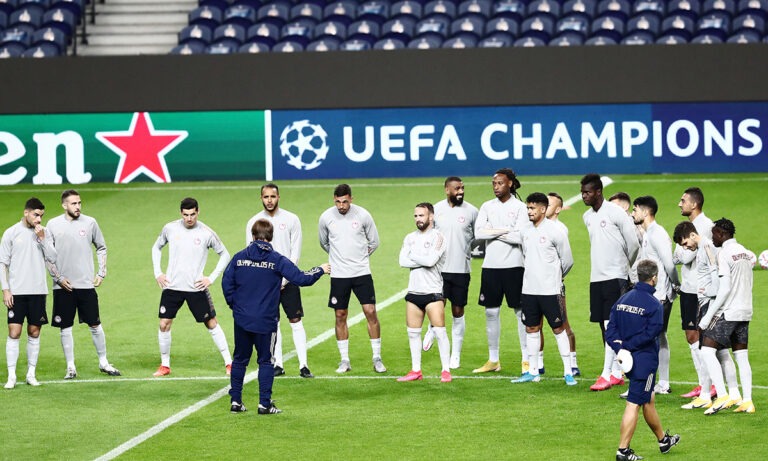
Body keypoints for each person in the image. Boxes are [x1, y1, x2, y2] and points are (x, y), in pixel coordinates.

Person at [223, 219, 330, 414]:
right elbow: (301, 279)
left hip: (242, 319)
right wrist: (320, 270)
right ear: (271, 237)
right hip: (266, 320)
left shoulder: (238, 258)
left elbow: (226, 283)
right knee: (265, 361)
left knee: (239, 359)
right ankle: (264, 404)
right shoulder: (276, 259)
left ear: (253, 236)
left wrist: (235, 306)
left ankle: (236, 402)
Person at [606, 259, 680, 461]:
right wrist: (629, 346)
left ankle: (663, 440)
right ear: (654, 278)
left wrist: (620, 348)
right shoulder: (654, 305)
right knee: (634, 403)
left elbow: (610, 330)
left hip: (627, 360)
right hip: (644, 363)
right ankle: (623, 451)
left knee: (648, 399)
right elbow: (651, 333)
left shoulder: (622, 300)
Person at [151, 197, 232, 377]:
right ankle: (165, 365)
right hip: (172, 287)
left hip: (196, 288)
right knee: (164, 324)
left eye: (193, 214)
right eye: (186, 215)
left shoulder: (206, 233)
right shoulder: (170, 228)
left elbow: (225, 255)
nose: (189, 218)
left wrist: (211, 278)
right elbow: (156, 248)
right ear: (181, 213)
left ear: (198, 212)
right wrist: (158, 272)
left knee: (211, 323)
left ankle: (229, 363)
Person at [45, 190, 120, 379]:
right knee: (65, 327)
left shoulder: (90, 222)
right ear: (64, 205)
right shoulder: (52, 225)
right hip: (63, 286)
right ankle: (70, 367)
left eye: (79, 203)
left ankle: (103, 362)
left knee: (95, 324)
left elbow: (101, 247)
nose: (78, 206)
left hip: (86, 285)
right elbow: (47, 255)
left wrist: (101, 273)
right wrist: (58, 278)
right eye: (73, 203)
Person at [673, 221, 742, 410]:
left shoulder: (707, 247)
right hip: (710, 304)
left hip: (709, 305)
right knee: (721, 352)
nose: (686, 248)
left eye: (685, 243)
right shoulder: (706, 246)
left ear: (692, 235)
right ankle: (733, 395)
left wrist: (708, 293)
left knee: (708, 351)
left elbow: (716, 279)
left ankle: (716, 395)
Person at [245, 183, 313, 378]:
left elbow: (295, 253)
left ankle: (303, 365)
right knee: (273, 323)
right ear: (261, 198)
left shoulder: (291, 219)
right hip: (266, 283)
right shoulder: (253, 222)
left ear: (278, 197)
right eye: (266, 197)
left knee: (295, 320)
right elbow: (251, 253)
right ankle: (278, 364)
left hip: (288, 279)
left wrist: (284, 279)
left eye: (272, 196)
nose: (269, 200)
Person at [580, 174, 640, 391]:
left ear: (598, 191)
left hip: (615, 277)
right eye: (582, 192)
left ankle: (607, 374)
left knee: (610, 325)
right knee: (603, 326)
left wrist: (624, 267)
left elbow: (634, 244)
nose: (584, 196)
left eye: (587, 192)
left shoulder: (615, 213)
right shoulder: (587, 216)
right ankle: (616, 372)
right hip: (596, 277)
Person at [318, 184, 385, 373]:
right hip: (339, 275)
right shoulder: (326, 217)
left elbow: (374, 242)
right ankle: (344, 360)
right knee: (340, 315)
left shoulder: (363, 215)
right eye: (338, 202)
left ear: (351, 199)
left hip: (361, 272)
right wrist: (338, 258)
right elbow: (324, 242)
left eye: (345, 202)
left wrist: (360, 257)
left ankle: (377, 358)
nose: (341, 206)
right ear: (334, 200)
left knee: (370, 311)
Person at [472, 168, 532, 374]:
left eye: (500, 183)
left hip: (514, 266)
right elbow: (479, 233)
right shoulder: (487, 206)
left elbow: (520, 237)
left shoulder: (521, 208)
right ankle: (493, 360)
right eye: (494, 183)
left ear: (510, 184)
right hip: (490, 267)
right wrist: (507, 229)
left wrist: (493, 231)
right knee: (491, 312)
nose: (496, 187)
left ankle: (526, 360)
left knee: (520, 313)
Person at [513, 193, 575, 385]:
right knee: (531, 328)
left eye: (532, 208)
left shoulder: (556, 231)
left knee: (558, 328)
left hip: (550, 290)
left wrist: (554, 277)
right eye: (528, 208)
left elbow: (568, 261)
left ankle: (568, 372)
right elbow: (525, 256)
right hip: (529, 290)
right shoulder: (525, 231)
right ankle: (533, 371)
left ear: (542, 209)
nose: (529, 211)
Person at [698, 218, 756, 414]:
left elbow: (723, 290)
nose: (712, 238)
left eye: (714, 234)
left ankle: (722, 395)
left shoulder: (724, 254)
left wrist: (707, 317)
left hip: (729, 311)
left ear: (722, 234)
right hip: (745, 310)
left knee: (707, 351)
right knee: (741, 356)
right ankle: (747, 401)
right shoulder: (746, 253)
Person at [422, 176, 478, 369]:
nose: (461, 191)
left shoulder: (472, 211)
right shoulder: (436, 210)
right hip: (439, 270)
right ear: (447, 190)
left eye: (462, 188)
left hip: (461, 269)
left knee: (457, 311)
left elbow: (478, 237)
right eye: (457, 188)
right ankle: (431, 328)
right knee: (437, 306)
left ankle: (456, 355)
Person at [1, 198, 57, 389]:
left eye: (41, 215)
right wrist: (6, 289)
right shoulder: (11, 233)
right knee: (14, 331)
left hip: (38, 291)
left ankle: (31, 374)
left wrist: (43, 239)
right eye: (36, 215)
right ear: (26, 213)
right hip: (16, 292)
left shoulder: (44, 233)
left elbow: (53, 257)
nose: (39, 219)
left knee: (34, 331)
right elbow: (3, 263)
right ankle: (11, 376)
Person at [631, 196, 679, 395]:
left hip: (659, 296)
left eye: (635, 210)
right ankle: (661, 383)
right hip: (652, 295)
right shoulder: (649, 233)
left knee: (652, 338)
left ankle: (651, 383)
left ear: (645, 212)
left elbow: (669, 264)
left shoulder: (657, 233)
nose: (632, 213)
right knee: (658, 336)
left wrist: (675, 284)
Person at [398, 203, 451, 383]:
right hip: (414, 291)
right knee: (413, 333)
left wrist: (412, 256)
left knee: (440, 332)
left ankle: (446, 370)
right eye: (416, 216)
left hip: (433, 292)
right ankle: (416, 370)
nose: (418, 219)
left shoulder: (438, 237)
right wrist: (420, 259)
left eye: (421, 215)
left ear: (431, 217)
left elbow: (430, 261)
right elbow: (402, 261)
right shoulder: (409, 237)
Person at [673, 187, 717, 399]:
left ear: (694, 204)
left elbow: (684, 257)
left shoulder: (705, 226)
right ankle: (703, 383)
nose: (679, 204)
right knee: (691, 337)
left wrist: (680, 253)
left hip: (699, 290)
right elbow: (677, 255)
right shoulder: (689, 227)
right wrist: (680, 253)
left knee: (700, 336)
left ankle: (710, 384)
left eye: (683, 201)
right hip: (688, 288)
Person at [546, 192, 580, 376]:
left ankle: (573, 363)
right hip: (536, 285)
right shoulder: (535, 226)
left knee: (563, 323)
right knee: (535, 324)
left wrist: (558, 276)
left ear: (558, 209)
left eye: (549, 204)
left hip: (555, 285)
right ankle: (537, 364)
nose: (544, 206)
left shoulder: (560, 229)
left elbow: (566, 260)